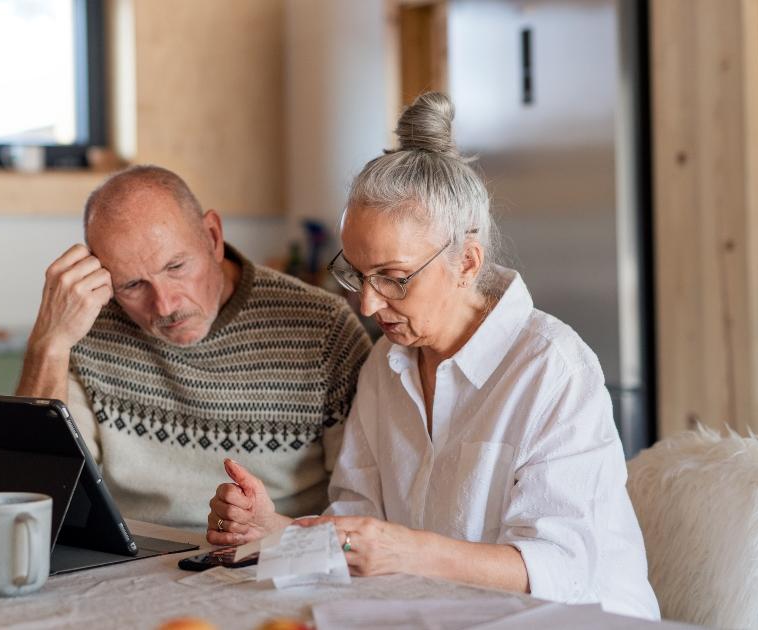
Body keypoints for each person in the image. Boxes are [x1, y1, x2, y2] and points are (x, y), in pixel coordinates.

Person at [206, 93, 660, 619]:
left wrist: (407, 551)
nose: (370, 304)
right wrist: (275, 532)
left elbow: (562, 569)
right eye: (356, 273)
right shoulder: (386, 365)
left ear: (467, 262)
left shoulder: (552, 368)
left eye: (395, 279)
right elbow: (358, 531)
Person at [16, 165, 371, 530]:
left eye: (176, 266)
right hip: (131, 562)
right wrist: (49, 343)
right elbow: (35, 493)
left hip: (275, 560)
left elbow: (363, 510)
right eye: (133, 285)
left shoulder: (324, 327)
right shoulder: (87, 325)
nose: (165, 306)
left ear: (213, 237)